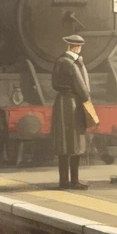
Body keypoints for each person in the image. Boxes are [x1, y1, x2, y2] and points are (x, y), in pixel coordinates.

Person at [51, 33, 92, 190]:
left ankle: (64, 181)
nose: (80, 49)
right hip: (73, 103)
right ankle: (73, 181)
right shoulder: (71, 64)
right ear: (74, 47)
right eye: (79, 46)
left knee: (65, 144)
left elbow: (55, 84)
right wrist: (86, 99)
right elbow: (82, 89)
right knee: (75, 143)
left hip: (62, 102)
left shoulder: (60, 61)